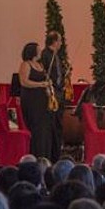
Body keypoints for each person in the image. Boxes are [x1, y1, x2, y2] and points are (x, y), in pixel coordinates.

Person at [19, 42, 54, 159]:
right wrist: (41, 84)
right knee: (36, 127)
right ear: (32, 51)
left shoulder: (41, 65)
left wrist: (48, 85)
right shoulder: (25, 64)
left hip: (43, 100)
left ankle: (45, 156)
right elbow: (24, 82)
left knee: (45, 128)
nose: (40, 52)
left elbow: (45, 80)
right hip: (31, 100)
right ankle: (35, 155)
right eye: (38, 50)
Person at [40, 31, 66, 162]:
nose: (61, 43)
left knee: (58, 125)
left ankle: (57, 155)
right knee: (52, 125)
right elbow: (44, 73)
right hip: (51, 94)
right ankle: (50, 156)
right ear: (54, 41)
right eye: (59, 40)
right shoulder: (45, 55)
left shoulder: (56, 56)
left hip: (59, 93)